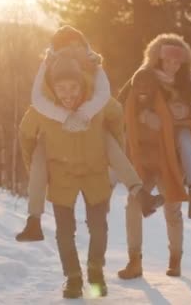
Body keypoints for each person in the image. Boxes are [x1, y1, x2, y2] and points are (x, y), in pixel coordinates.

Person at [16, 26, 162, 243]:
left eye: (77, 45)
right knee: (40, 154)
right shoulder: (49, 65)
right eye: (67, 45)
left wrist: (87, 114)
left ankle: (140, 194)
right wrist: (63, 117)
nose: (72, 49)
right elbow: (37, 98)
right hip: (56, 123)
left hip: (89, 119)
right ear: (57, 49)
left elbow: (104, 95)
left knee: (107, 142)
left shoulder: (92, 66)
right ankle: (34, 220)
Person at [18, 51, 123, 298]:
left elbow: (117, 116)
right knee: (65, 232)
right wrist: (37, 168)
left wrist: (113, 164)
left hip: (95, 173)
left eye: (73, 87)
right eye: (61, 88)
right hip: (61, 176)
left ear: (82, 84)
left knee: (99, 228)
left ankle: (96, 273)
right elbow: (25, 135)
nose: (67, 94)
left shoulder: (97, 103)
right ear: (53, 88)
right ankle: (73, 278)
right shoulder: (41, 110)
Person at [117, 33, 191, 279]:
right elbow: (122, 106)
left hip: (171, 158)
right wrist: (143, 117)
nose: (172, 66)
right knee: (133, 205)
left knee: (172, 209)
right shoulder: (143, 77)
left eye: (177, 62)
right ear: (157, 58)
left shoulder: (189, 81)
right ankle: (134, 261)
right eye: (167, 60)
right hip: (145, 156)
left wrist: (186, 113)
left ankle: (175, 258)